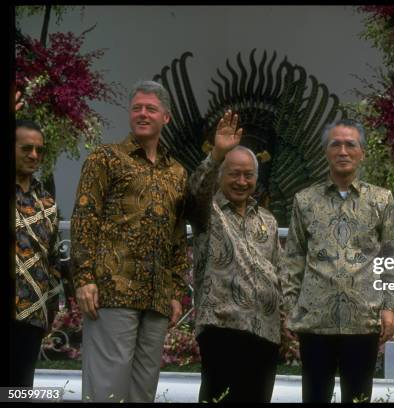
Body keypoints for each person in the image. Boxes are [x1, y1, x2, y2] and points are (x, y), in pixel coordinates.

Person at [70, 80, 189, 402]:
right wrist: (83, 278)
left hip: (156, 297)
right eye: (136, 108)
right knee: (106, 389)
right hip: (112, 290)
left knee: (143, 391)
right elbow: (85, 218)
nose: (142, 114)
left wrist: (176, 290)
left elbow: (178, 235)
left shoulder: (177, 172)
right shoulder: (106, 158)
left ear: (166, 117)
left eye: (151, 108)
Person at [281, 119, 394, 403]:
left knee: (358, 396)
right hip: (315, 318)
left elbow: (393, 256)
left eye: (351, 144)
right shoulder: (305, 200)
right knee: (314, 396)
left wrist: (390, 308)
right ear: (326, 151)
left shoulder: (381, 200)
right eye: (335, 144)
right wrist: (290, 307)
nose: (343, 151)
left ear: (362, 153)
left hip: (363, 317)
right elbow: (295, 257)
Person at [187, 110, 282, 403]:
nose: (242, 181)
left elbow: (281, 271)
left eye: (248, 175)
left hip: (265, 332)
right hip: (221, 329)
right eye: (234, 174)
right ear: (221, 175)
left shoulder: (268, 219)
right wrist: (217, 153)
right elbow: (195, 190)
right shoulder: (207, 211)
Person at [11, 109, 67, 387]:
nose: (34, 155)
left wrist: (52, 309)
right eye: (26, 148)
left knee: (19, 390)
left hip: (31, 313)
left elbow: (54, 259)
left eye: (39, 150)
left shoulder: (46, 202)